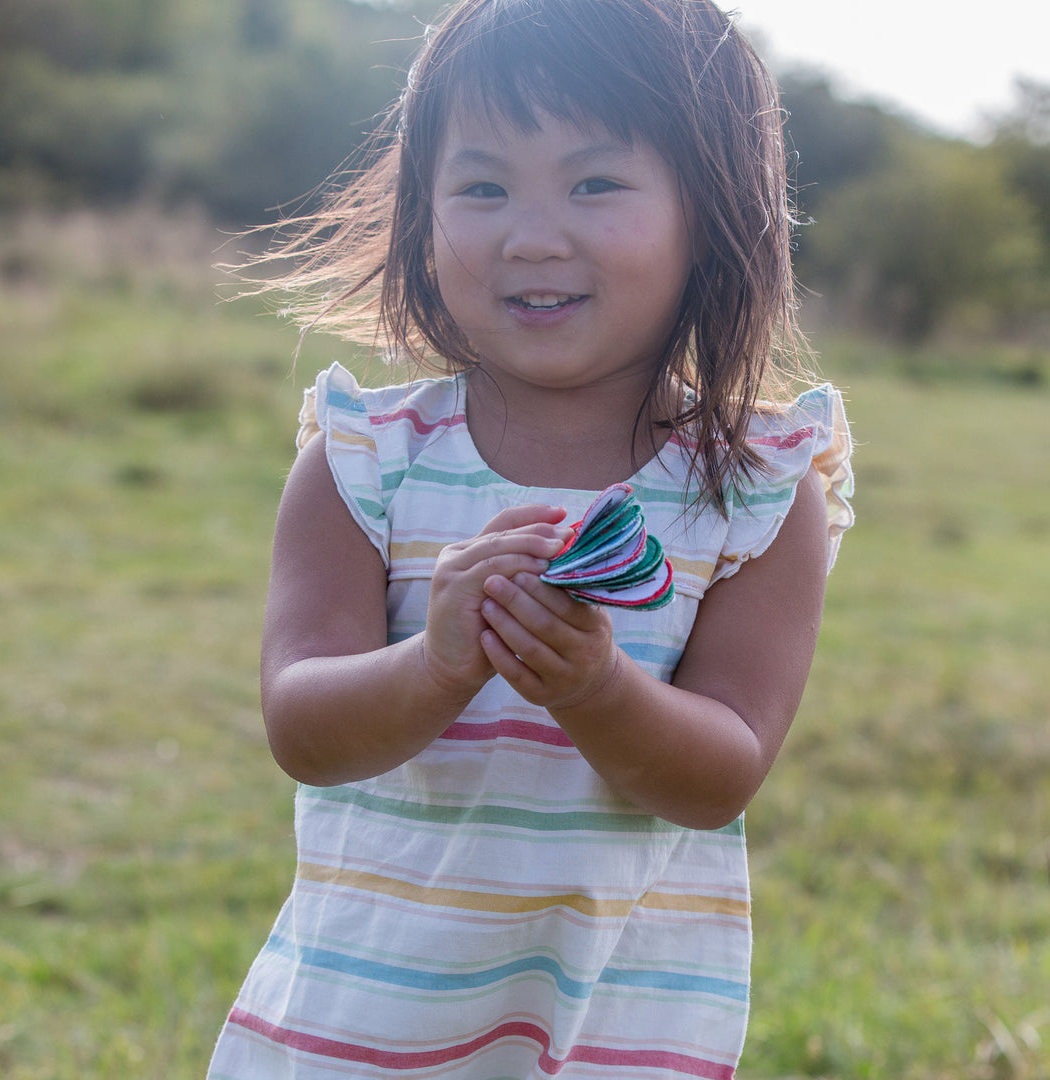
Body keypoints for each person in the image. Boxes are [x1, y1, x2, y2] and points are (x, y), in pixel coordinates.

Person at [207, 0, 854, 1077]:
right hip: (354, 1035)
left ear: (713, 212)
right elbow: (302, 727)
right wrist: (436, 662)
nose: (532, 232)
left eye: (595, 182)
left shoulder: (754, 493)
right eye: (482, 185)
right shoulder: (366, 461)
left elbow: (719, 774)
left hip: (614, 1041)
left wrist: (596, 688)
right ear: (422, 215)